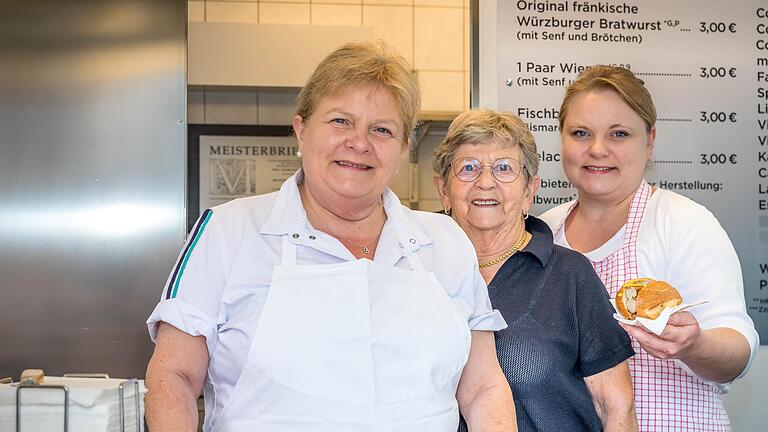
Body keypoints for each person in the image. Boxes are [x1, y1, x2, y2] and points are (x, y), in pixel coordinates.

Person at [144, 41, 517, 432]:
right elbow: (174, 375)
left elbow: (483, 389)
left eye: (382, 129)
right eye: (341, 121)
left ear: (404, 146)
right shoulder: (228, 230)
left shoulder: (445, 242)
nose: (359, 142)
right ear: (301, 129)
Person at [541, 65, 759, 430]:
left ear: (650, 140)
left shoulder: (684, 222)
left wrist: (694, 344)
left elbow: (738, 352)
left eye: (619, 134)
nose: (597, 149)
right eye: (581, 133)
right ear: (561, 138)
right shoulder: (544, 231)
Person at [433, 109, 637, 432]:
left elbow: (616, 408)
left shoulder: (571, 276)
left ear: (530, 190)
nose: (486, 182)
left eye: (504, 168)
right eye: (468, 168)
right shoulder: (417, 274)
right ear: (443, 189)